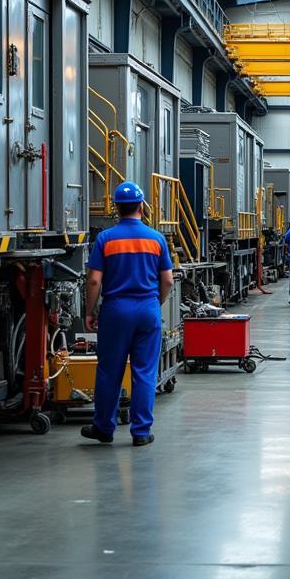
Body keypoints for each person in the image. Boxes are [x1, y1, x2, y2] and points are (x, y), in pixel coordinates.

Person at [82, 181, 173, 447]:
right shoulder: (156, 239)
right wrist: (156, 302)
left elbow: (94, 281)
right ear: (142, 206)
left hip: (116, 311)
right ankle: (141, 432)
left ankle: (104, 428)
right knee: (144, 371)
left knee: (110, 371)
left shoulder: (106, 239)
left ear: (116, 209)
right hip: (147, 309)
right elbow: (167, 280)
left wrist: (90, 311)